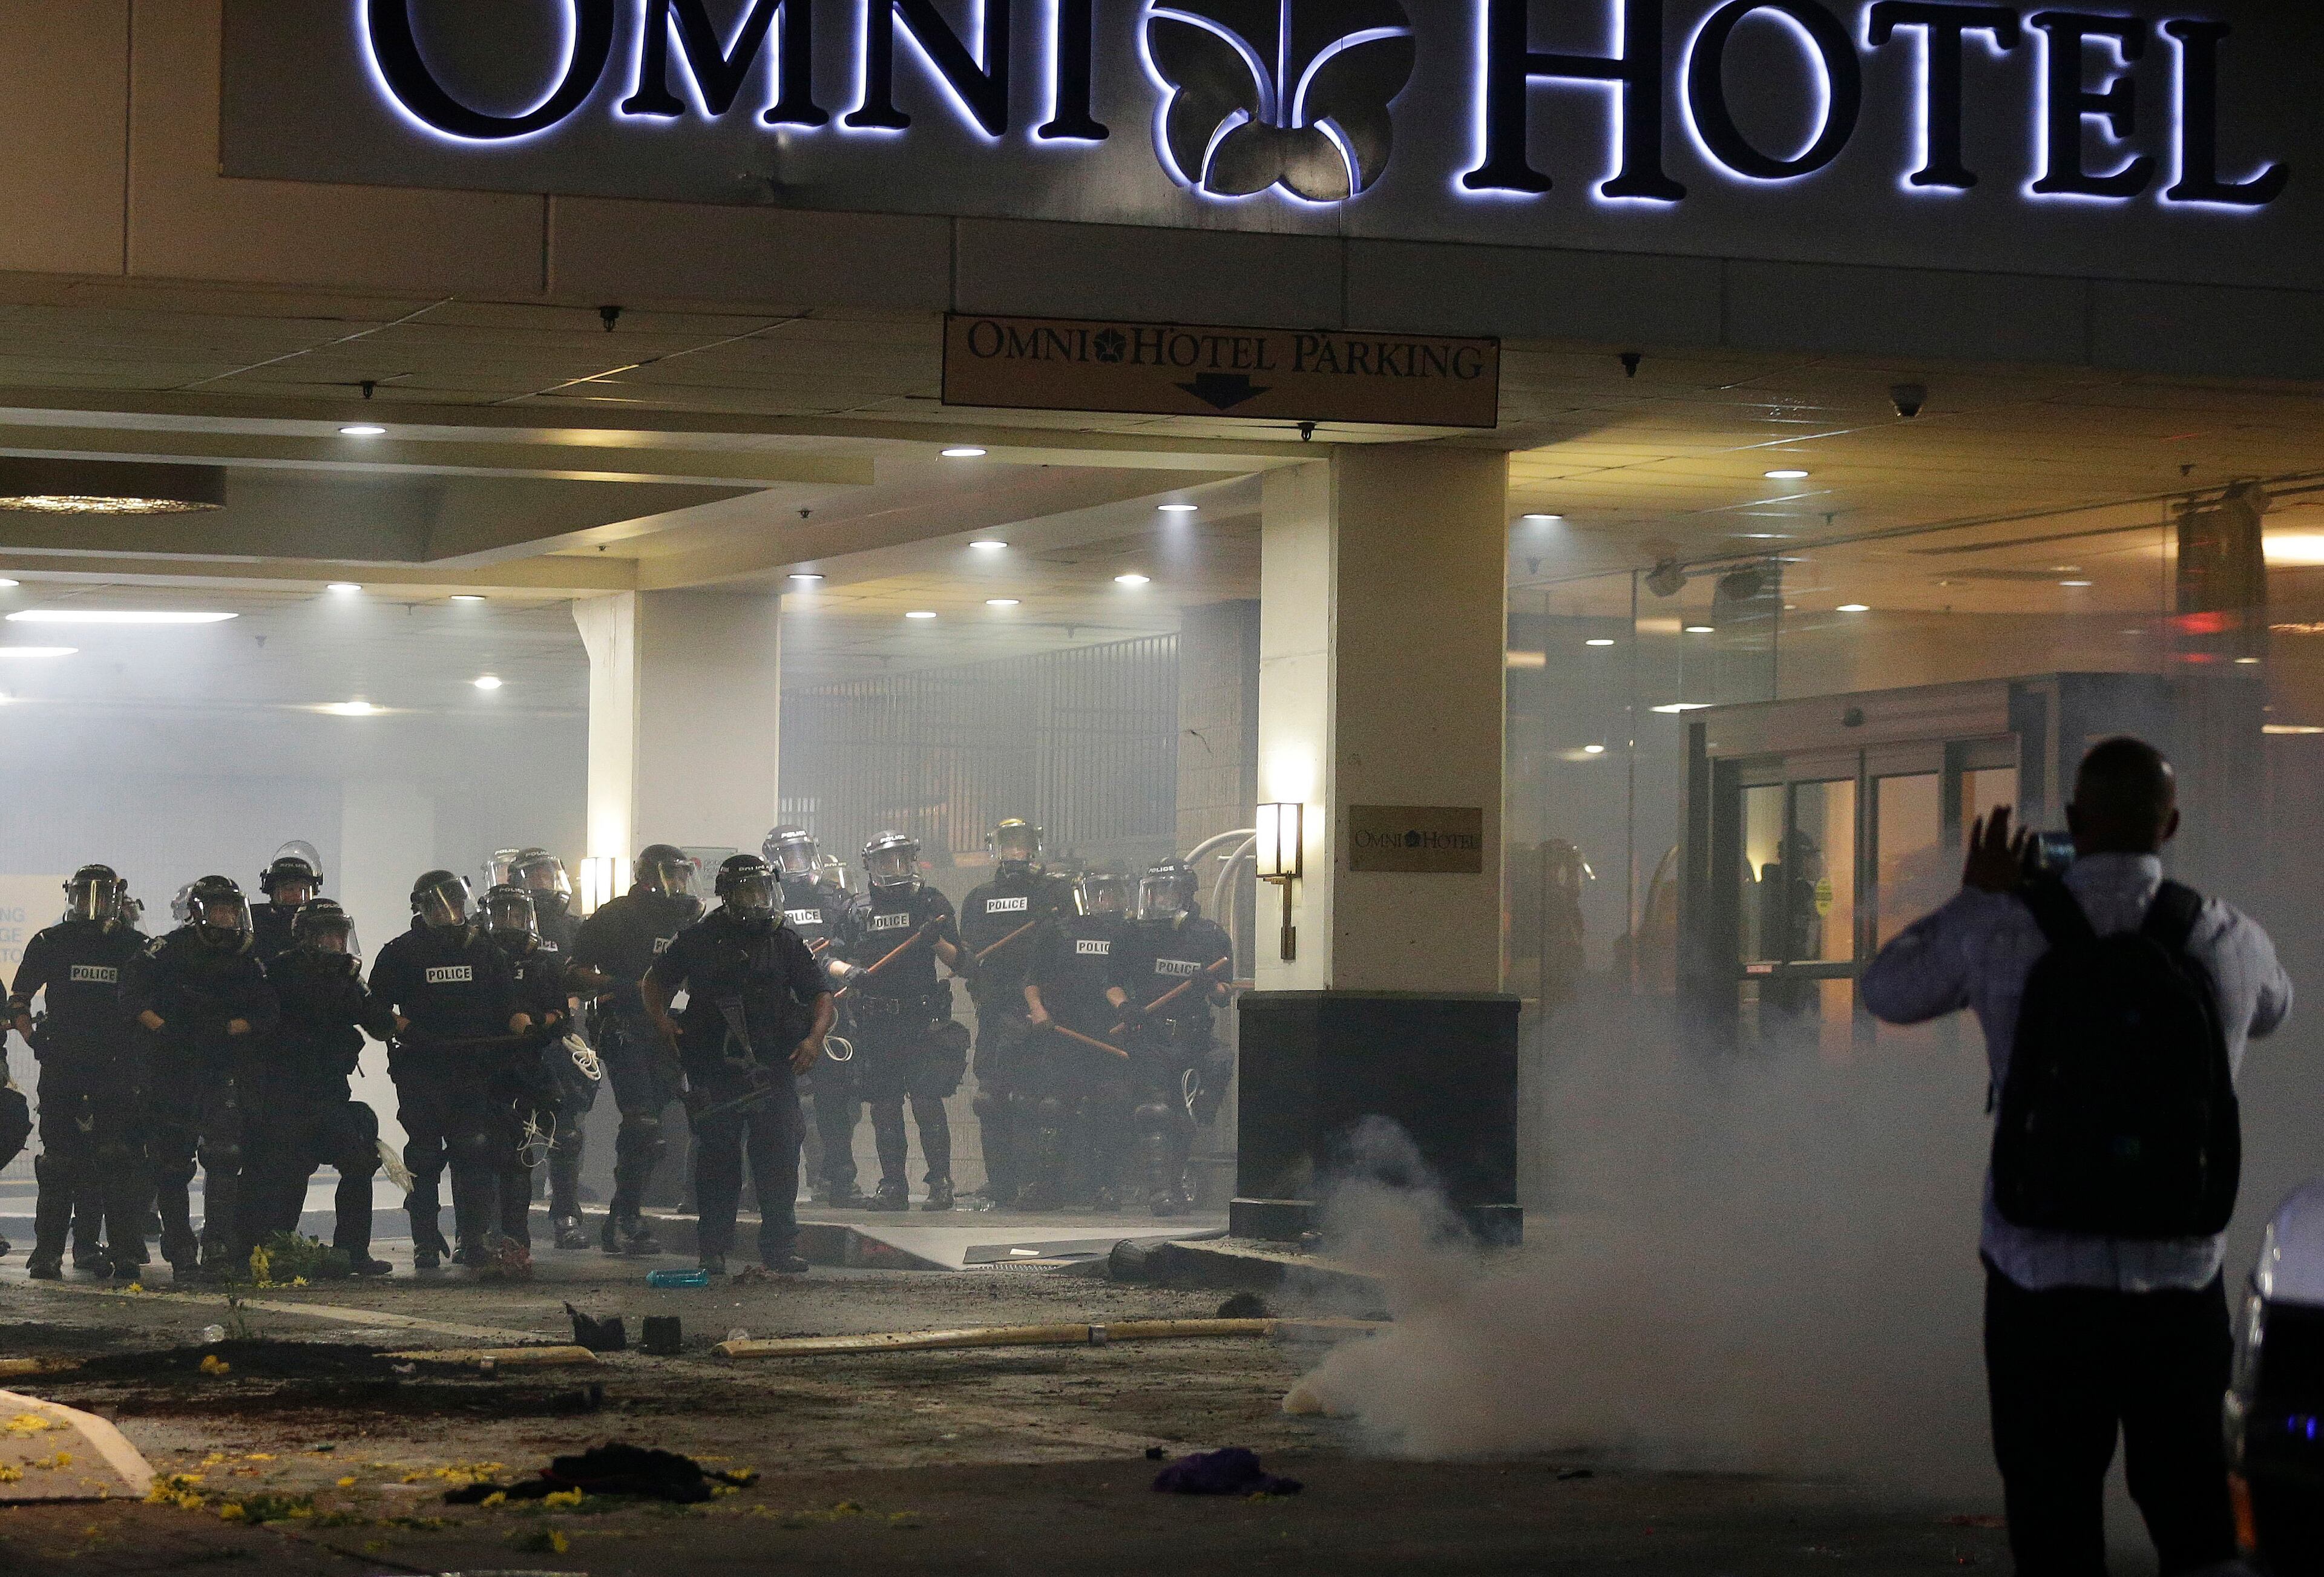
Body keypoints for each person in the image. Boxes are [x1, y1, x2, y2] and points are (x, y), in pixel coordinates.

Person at [1862, 737, 2293, 1577]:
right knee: (2197, 1520)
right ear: (2170, 823)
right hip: (2180, 1280)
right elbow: (2277, 1008)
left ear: (2071, 823)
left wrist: (1976, 897)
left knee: (2052, 1515)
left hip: (2039, 1278)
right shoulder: (2223, 934)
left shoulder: (2008, 926)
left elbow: (1888, 990)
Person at [643, 854, 832, 1276]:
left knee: (779, 1157)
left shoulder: (784, 941)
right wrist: (663, 1024)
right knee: (718, 1161)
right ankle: (713, 1250)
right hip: (716, 1068)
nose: (757, 900)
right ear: (728, 896)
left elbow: (821, 994)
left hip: (775, 1065)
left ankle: (780, 1247)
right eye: (748, 892)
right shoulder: (698, 939)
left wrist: (813, 1039)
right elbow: (655, 981)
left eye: (763, 891)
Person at [124, 875, 279, 1280]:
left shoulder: (248, 957)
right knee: (172, 1165)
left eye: (232, 909)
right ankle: (180, 1252)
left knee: (225, 1155)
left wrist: (229, 1029)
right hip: (171, 1069)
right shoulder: (166, 950)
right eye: (219, 909)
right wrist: (162, 1027)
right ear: (198, 913)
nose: (227, 917)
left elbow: (267, 1014)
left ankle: (218, 1247)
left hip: (222, 1067)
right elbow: (131, 993)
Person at [370, 870, 524, 1272]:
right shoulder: (400, 953)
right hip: (422, 1067)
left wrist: (533, 1028)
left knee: (473, 1152)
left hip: (474, 1067)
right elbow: (373, 1009)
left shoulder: (487, 952)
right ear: (423, 909)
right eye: (439, 907)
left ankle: (470, 1239)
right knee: (423, 1154)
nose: (449, 914)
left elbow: (510, 1008)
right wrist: (405, 1028)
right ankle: (424, 1239)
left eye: (455, 905)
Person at [9, 865, 150, 1279]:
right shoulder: (50, 941)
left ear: (117, 897)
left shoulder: (135, 945)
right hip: (64, 1063)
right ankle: (48, 1252)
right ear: (70, 895)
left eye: (100, 895)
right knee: (59, 1162)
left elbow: (152, 1004)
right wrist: (34, 1039)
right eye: (83, 895)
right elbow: (19, 997)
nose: (90, 905)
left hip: (116, 1067)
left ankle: (120, 1250)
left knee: (117, 1158)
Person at [243, 899, 396, 1276]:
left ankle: (352, 1253)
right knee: (287, 1170)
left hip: (330, 1095)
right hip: (284, 1097)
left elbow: (378, 1024)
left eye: (340, 936)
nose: (335, 943)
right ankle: (271, 1250)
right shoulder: (277, 973)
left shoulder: (346, 978)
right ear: (307, 938)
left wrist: (381, 1008)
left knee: (360, 1159)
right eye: (327, 936)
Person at [571, 844, 701, 1254]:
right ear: (649, 876)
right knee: (641, 1124)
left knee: (657, 1130)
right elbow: (573, 972)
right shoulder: (614, 916)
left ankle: (618, 1215)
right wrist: (615, 985)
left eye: (683, 876)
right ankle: (629, 1218)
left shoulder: (688, 921)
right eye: (672, 875)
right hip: (624, 1025)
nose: (679, 884)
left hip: (669, 1030)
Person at [835, 831, 969, 1213]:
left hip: (921, 1019)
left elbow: (962, 963)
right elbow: (829, 957)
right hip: (876, 1022)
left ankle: (941, 1184)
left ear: (912, 862)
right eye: (884, 862)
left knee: (927, 1103)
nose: (894, 869)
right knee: (884, 1107)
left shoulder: (931, 903)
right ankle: (893, 1185)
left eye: (900, 861)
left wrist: (934, 941)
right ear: (870, 867)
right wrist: (850, 973)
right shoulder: (856, 909)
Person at [1108, 859, 1234, 1218]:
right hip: (1152, 1036)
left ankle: (1199, 1122)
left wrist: (1211, 985)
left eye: (1169, 890)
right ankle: (1161, 1190)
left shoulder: (1210, 936)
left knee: (1220, 1063)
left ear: (1187, 893)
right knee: (1156, 1110)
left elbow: (1224, 993)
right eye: (1156, 890)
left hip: (1193, 1034)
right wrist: (1125, 1008)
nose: (1161, 898)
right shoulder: (1134, 936)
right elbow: (1112, 982)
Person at [957, 819, 1071, 1208]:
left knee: (1040, 1099)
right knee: (990, 1098)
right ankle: (1001, 1183)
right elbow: (967, 955)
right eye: (1008, 845)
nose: (1015, 852)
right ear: (996, 849)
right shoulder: (978, 897)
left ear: (1034, 848)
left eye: (1022, 845)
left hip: (1042, 1009)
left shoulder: (1053, 892)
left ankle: (1041, 1185)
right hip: (995, 1009)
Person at [1023, 868, 1134, 1211]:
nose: (1104, 901)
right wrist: (1039, 1011)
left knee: (1109, 1107)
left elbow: (1129, 981)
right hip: (1063, 1031)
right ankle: (1047, 1186)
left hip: (1108, 1033)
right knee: (1054, 1107)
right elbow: (1032, 979)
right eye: (1097, 893)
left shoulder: (1129, 934)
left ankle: (1106, 1186)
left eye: (1111, 893)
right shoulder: (1057, 929)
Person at [477, 882, 574, 1273]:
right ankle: (477, 1237)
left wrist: (535, 1022)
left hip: (527, 1068)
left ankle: (515, 1240)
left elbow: (560, 1015)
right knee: (482, 1152)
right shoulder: (477, 959)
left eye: (516, 915)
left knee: (521, 1155)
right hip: (482, 1069)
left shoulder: (542, 965)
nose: (509, 923)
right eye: (501, 915)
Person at [767, 826, 862, 1207]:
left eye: (805, 855)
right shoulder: (767, 901)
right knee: (781, 1105)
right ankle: (773, 1185)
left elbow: (853, 945)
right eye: (791, 857)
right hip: (780, 1016)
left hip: (829, 1013)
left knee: (837, 1104)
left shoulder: (834, 899)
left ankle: (839, 1179)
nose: (800, 865)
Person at [510, 848, 594, 1250]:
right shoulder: (495, 927)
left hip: (558, 1039)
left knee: (567, 1133)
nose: (542, 883)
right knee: (505, 1134)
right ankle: (499, 1226)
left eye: (547, 874)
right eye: (534, 876)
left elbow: (584, 979)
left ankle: (565, 1215)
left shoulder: (572, 928)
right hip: (508, 1046)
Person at [251, 848, 322, 965]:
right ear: (272, 892)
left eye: (304, 890)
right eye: (289, 889)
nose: (298, 896)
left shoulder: (320, 926)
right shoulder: (255, 921)